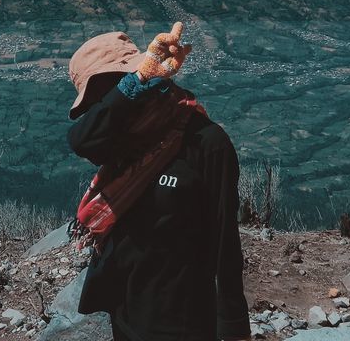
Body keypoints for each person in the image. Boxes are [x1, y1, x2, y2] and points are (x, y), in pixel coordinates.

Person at [65, 23, 250, 341]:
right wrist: (134, 83)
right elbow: (83, 140)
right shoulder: (123, 142)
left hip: (180, 318)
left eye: (101, 96)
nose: (100, 108)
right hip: (124, 306)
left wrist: (234, 327)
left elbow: (225, 243)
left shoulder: (205, 142)